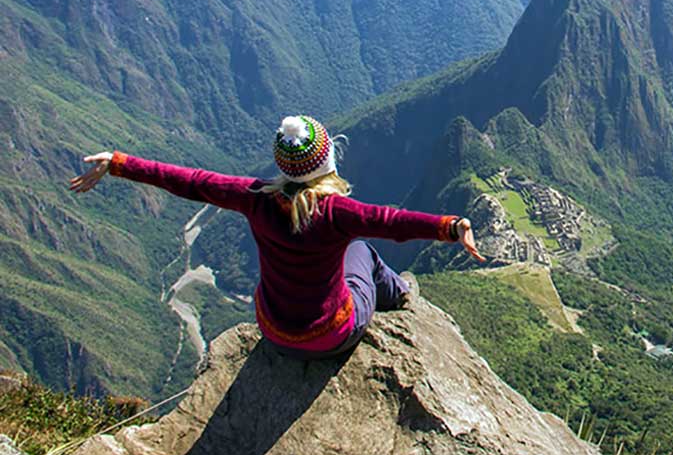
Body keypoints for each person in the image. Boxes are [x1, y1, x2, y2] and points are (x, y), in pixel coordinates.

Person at [69, 115, 484, 359]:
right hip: (331, 334)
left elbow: (190, 182)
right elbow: (392, 222)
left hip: (273, 330)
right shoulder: (336, 213)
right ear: (327, 162)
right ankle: (400, 294)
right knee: (361, 249)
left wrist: (120, 163)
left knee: (350, 250)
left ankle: (393, 292)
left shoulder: (254, 198)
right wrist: (451, 227)